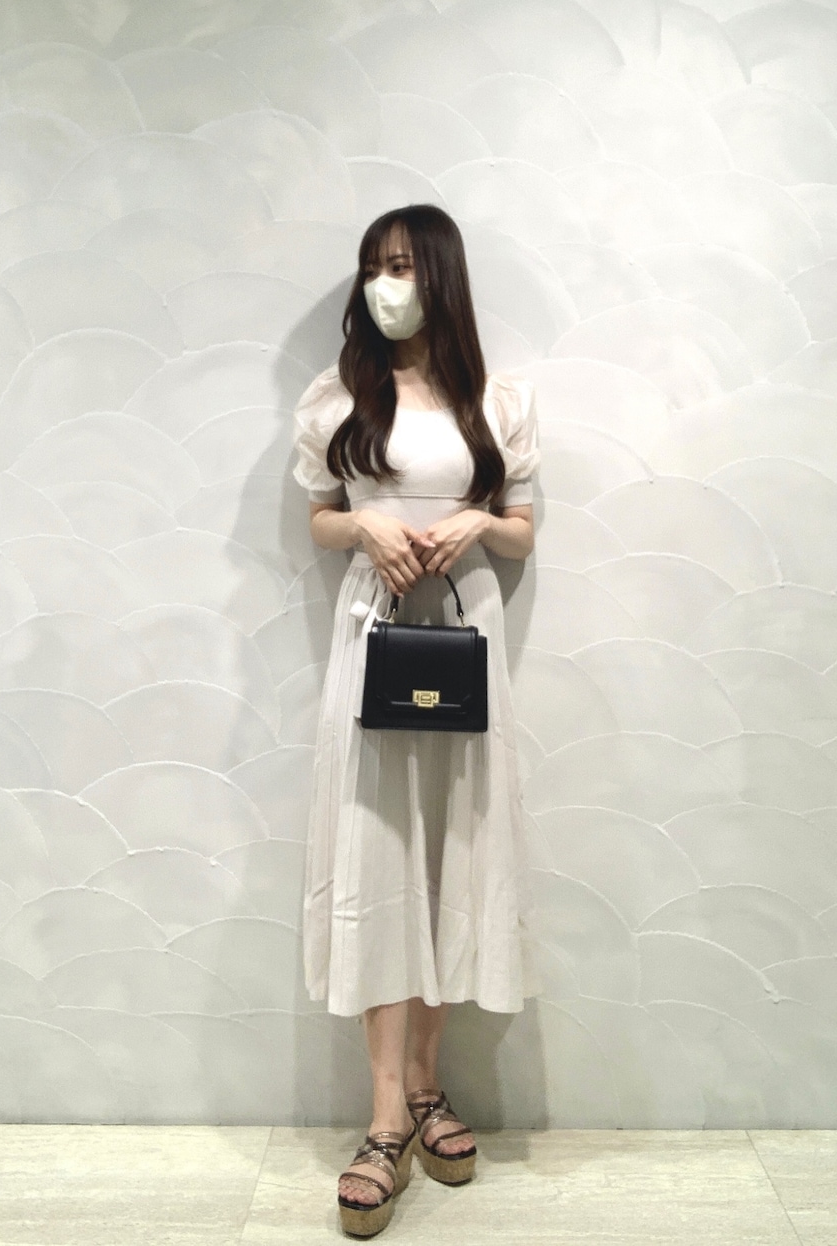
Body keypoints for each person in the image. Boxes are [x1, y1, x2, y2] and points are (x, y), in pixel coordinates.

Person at [292, 204, 539, 1237]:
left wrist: (478, 519)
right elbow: (317, 516)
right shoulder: (340, 394)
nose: (383, 285)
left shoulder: (496, 400)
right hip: (375, 637)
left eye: (399, 265)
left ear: (438, 274)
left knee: (450, 852)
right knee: (379, 850)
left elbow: (521, 532)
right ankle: (387, 1112)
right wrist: (366, 526)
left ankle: (432, 1084)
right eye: (372, 267)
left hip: (463, 641)